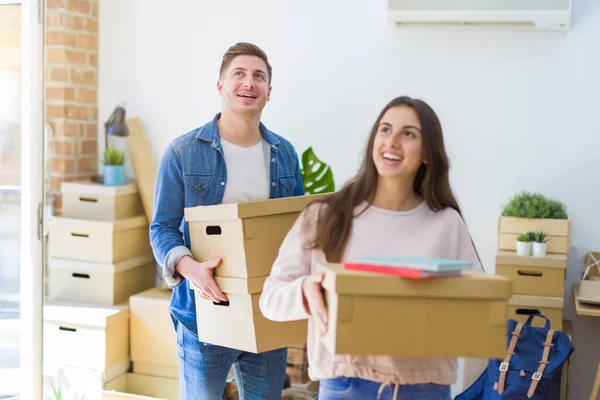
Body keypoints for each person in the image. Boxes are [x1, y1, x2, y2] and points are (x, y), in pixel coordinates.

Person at [259, 96, 483, 400]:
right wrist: (306, 291)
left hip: (426, 389)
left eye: (409, 134)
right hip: (347, 387)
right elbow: (270, 298)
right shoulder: (326, 215)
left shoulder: (446, 224)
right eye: (385, 129)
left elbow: (477, 310)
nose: (392, 142)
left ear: (428, 153)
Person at [150, 42, 304, 400]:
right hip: (203, 314)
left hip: (266, 311)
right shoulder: (182, 153)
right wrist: (191, 269)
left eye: (258, 77)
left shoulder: (285, 155)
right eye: (239, 74)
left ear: (269, 92)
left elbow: (296, 231)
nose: (249, 83)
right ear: (220, 85)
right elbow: (162, 228)